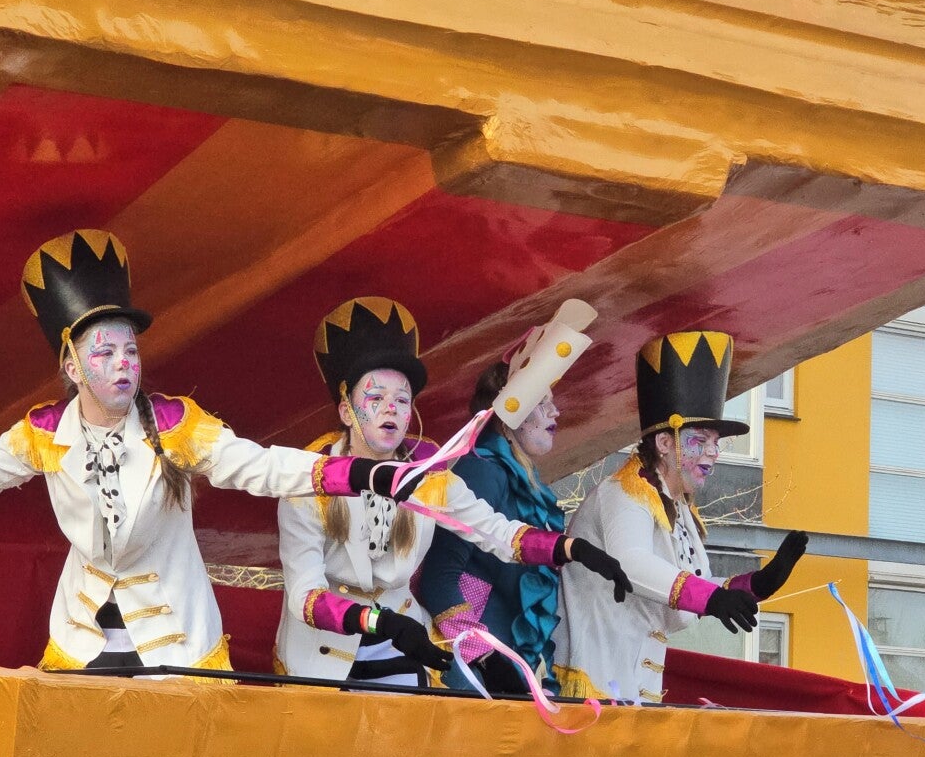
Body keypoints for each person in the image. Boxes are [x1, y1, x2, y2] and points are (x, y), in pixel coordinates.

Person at [0, 229, 425, 672]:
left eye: (131, 350)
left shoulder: (175, 425)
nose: (124, 363)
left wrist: (359, 473)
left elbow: (261, 466)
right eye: (105, 352)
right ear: (72, 367)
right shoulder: (43, 434)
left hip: (176, 639)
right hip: (86, 633)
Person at [274, 297, 632, 688]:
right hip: (325, 651)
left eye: (402, 400)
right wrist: (379, 622)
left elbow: (496, 531)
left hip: (405, 647)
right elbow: (304, 596)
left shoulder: (429, 476)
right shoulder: (307, 484)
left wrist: (571, 549)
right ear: (347, 411)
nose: (390, 409)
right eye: (375, 398)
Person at [552, 331, 807, 704]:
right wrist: (711, 599)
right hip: (594, 680)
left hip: (633, 684)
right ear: (664, 443)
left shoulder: (678, 506)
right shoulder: (623, 493)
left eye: (715, 442)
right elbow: (632, 564)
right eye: (699, 441)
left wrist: (755, 584)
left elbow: (690, 584)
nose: (713, 452)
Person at [418, 346, 570, 695]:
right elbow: (438, 577)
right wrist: (483, 659)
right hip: (470, 667)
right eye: (542, 402)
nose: (556, 411)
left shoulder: (517, 476)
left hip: (503, 658)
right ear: (510, 412)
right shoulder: (483, 470)